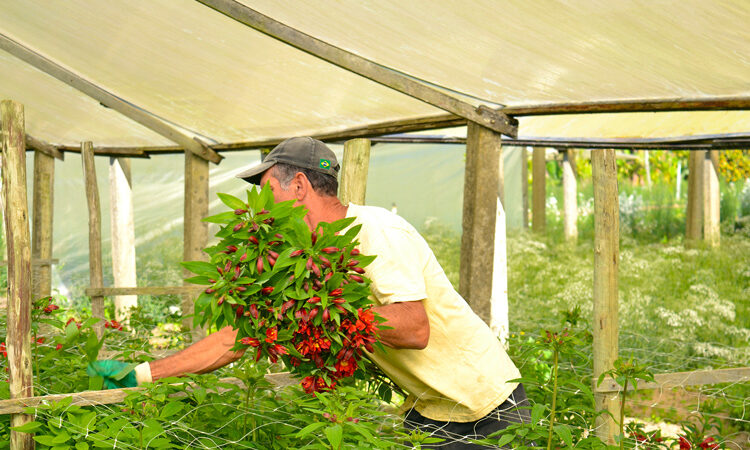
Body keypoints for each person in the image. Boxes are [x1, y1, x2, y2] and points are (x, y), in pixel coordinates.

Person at [90, 137, 530, 448]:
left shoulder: (374, 231)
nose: (260, 209)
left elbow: (415, 328)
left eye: (267, 193)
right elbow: (237, 337)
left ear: (298, 185)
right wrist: (143, 374)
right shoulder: (304, 264)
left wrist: (319, 317)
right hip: (432, 408)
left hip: (486, 404)